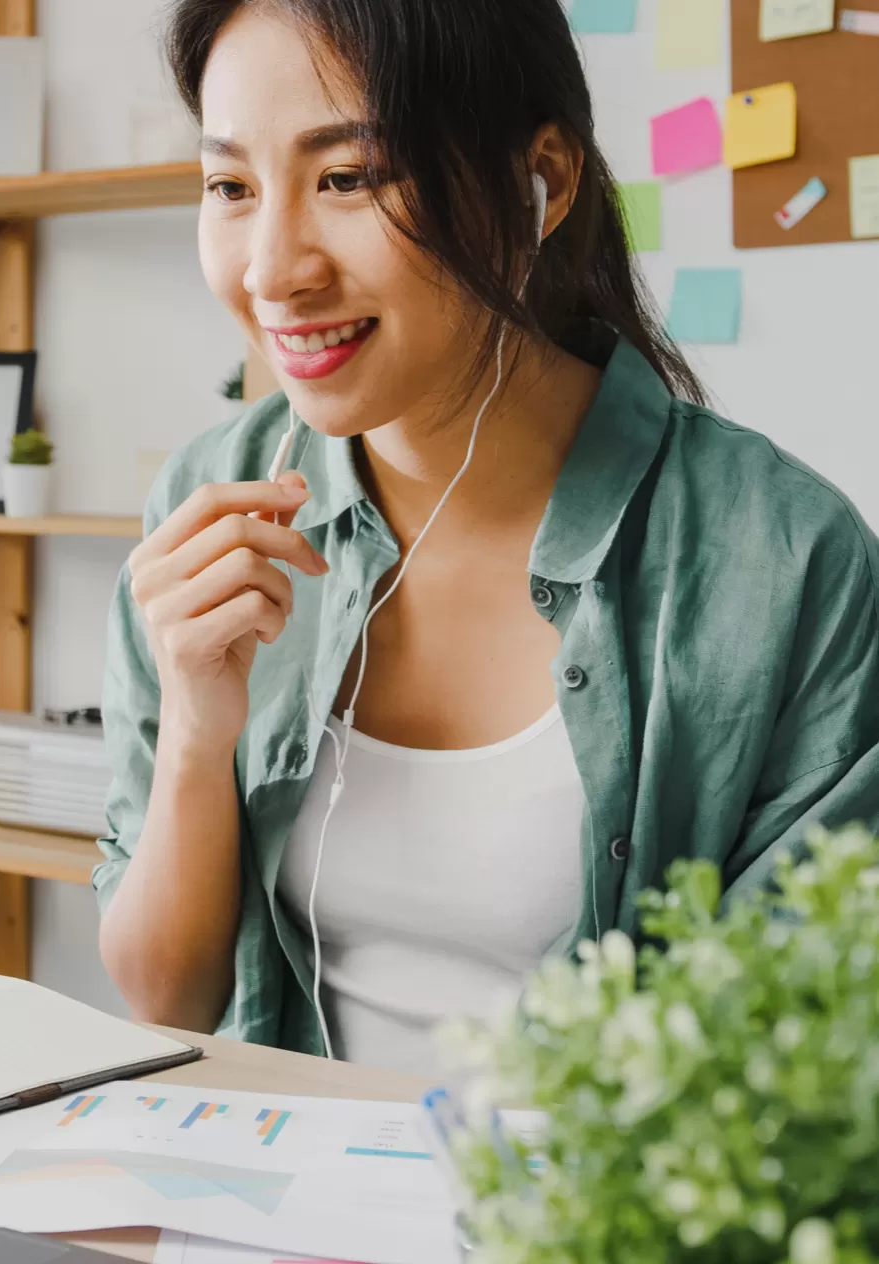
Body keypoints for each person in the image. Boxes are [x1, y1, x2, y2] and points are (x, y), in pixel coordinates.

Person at [94, 0, 879, 1078]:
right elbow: (160, 996)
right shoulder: (209, 501)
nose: (272, 268)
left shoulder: (782, 557)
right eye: (229, 186)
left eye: (348, 176)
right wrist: (192, 727)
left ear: (539, 181)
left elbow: (800, 1062)